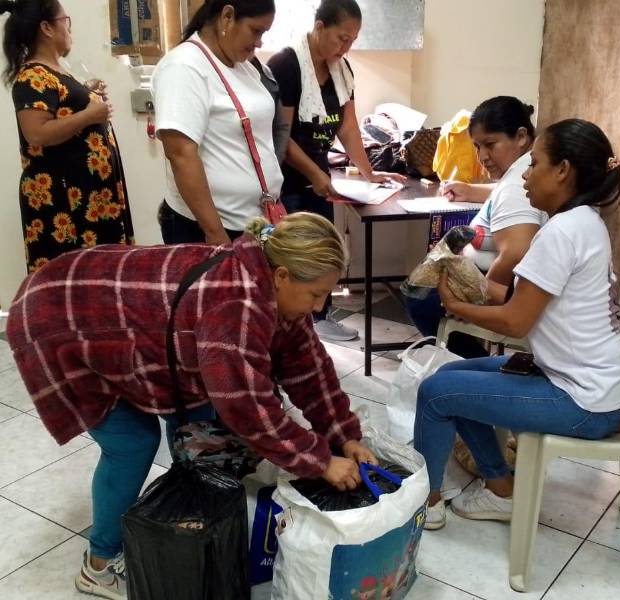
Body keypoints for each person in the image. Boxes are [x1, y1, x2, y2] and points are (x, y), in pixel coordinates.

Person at [6, 212, 377, 598]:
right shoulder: (235, 307)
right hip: (58, 316)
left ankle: (187, 528)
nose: (319, 307)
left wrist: (343, 435)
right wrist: (320, 460)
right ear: (282, 276)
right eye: (316, 294)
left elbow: (310, 370)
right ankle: (99, 564)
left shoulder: (275, 288)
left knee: (196, 427)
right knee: (132, 444)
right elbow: (250, 411)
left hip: (125, 320)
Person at [414, 119, 620, 530]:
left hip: (583, 401)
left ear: (563, 171)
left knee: (434, 392)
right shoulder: (585, 222)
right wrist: (471, 288)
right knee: (452, 378)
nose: (527, 176)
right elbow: (526, 300)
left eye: (534, 164)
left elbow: (516, 321)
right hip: (596, 385)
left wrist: (452, 303)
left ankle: (424, 504)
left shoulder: (561, 233)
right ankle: (501, 490)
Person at [267, 0, 406, 342]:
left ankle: (319, 320)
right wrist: (316, 174)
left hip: (319, 178)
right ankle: (289, 330)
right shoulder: (286, 65)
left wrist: (369, 172)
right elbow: (280, 137)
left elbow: (348, 127)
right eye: (342, 38)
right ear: (319, 28)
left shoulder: (342, 70)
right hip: (287, 182)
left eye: (352, 40)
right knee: (296, 257)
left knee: (324, 250)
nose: (346, 47)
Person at [404, 96, 546, 358]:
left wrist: (480, 295)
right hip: (490, 281)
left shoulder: (515, 186)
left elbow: (516, 251)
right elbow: (508, 196)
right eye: (477, 146)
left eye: (490, 145)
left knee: (420, 298)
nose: (482, 156)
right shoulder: (521, 172)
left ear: (521, 136)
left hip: (495, 291)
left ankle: (474, 364)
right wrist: (471, 191)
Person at [2, 0, 134, 273]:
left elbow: (62, 110)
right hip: (65, 203)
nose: (69, 28)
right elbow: (36, 133)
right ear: (47, 28)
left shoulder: (56, 71)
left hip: (91, 198)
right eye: (67, 21)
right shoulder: (32, 77)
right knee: (71, 283)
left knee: (97, 278)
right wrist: (89, 114)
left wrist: (86, 93)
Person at [152, 0, 283, 245]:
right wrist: (215, 235)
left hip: (254, 223)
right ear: (227, 17)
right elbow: (181, 155)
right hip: (208, 230)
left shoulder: (244, 66)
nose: (259, 42)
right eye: (256, 31)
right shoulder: (184, 67)